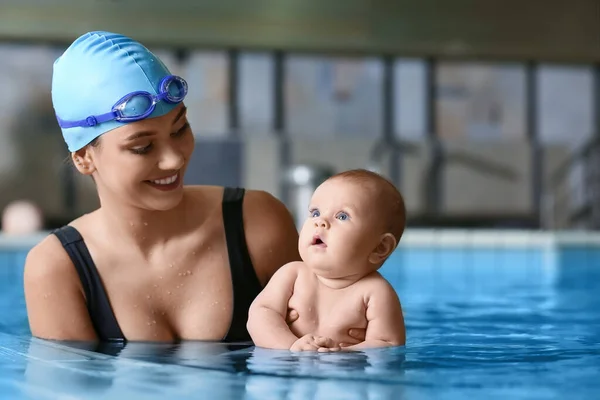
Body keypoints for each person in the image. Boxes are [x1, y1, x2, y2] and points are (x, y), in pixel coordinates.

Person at [23, 31, 309, 344]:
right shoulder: (58, 268)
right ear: (83, 158)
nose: (174, 160)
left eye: (180, 128)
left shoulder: (257, 224)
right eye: (143, 147)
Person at [247, 169, 406, 351]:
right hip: (287, 368)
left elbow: (388, 345)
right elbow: (260, 315)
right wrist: (291, 345)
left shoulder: (376, 292)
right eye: (315, 213)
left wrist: (343, 353)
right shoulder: (292, 275)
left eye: (342, 216)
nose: (320, 222)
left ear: (380, 247)